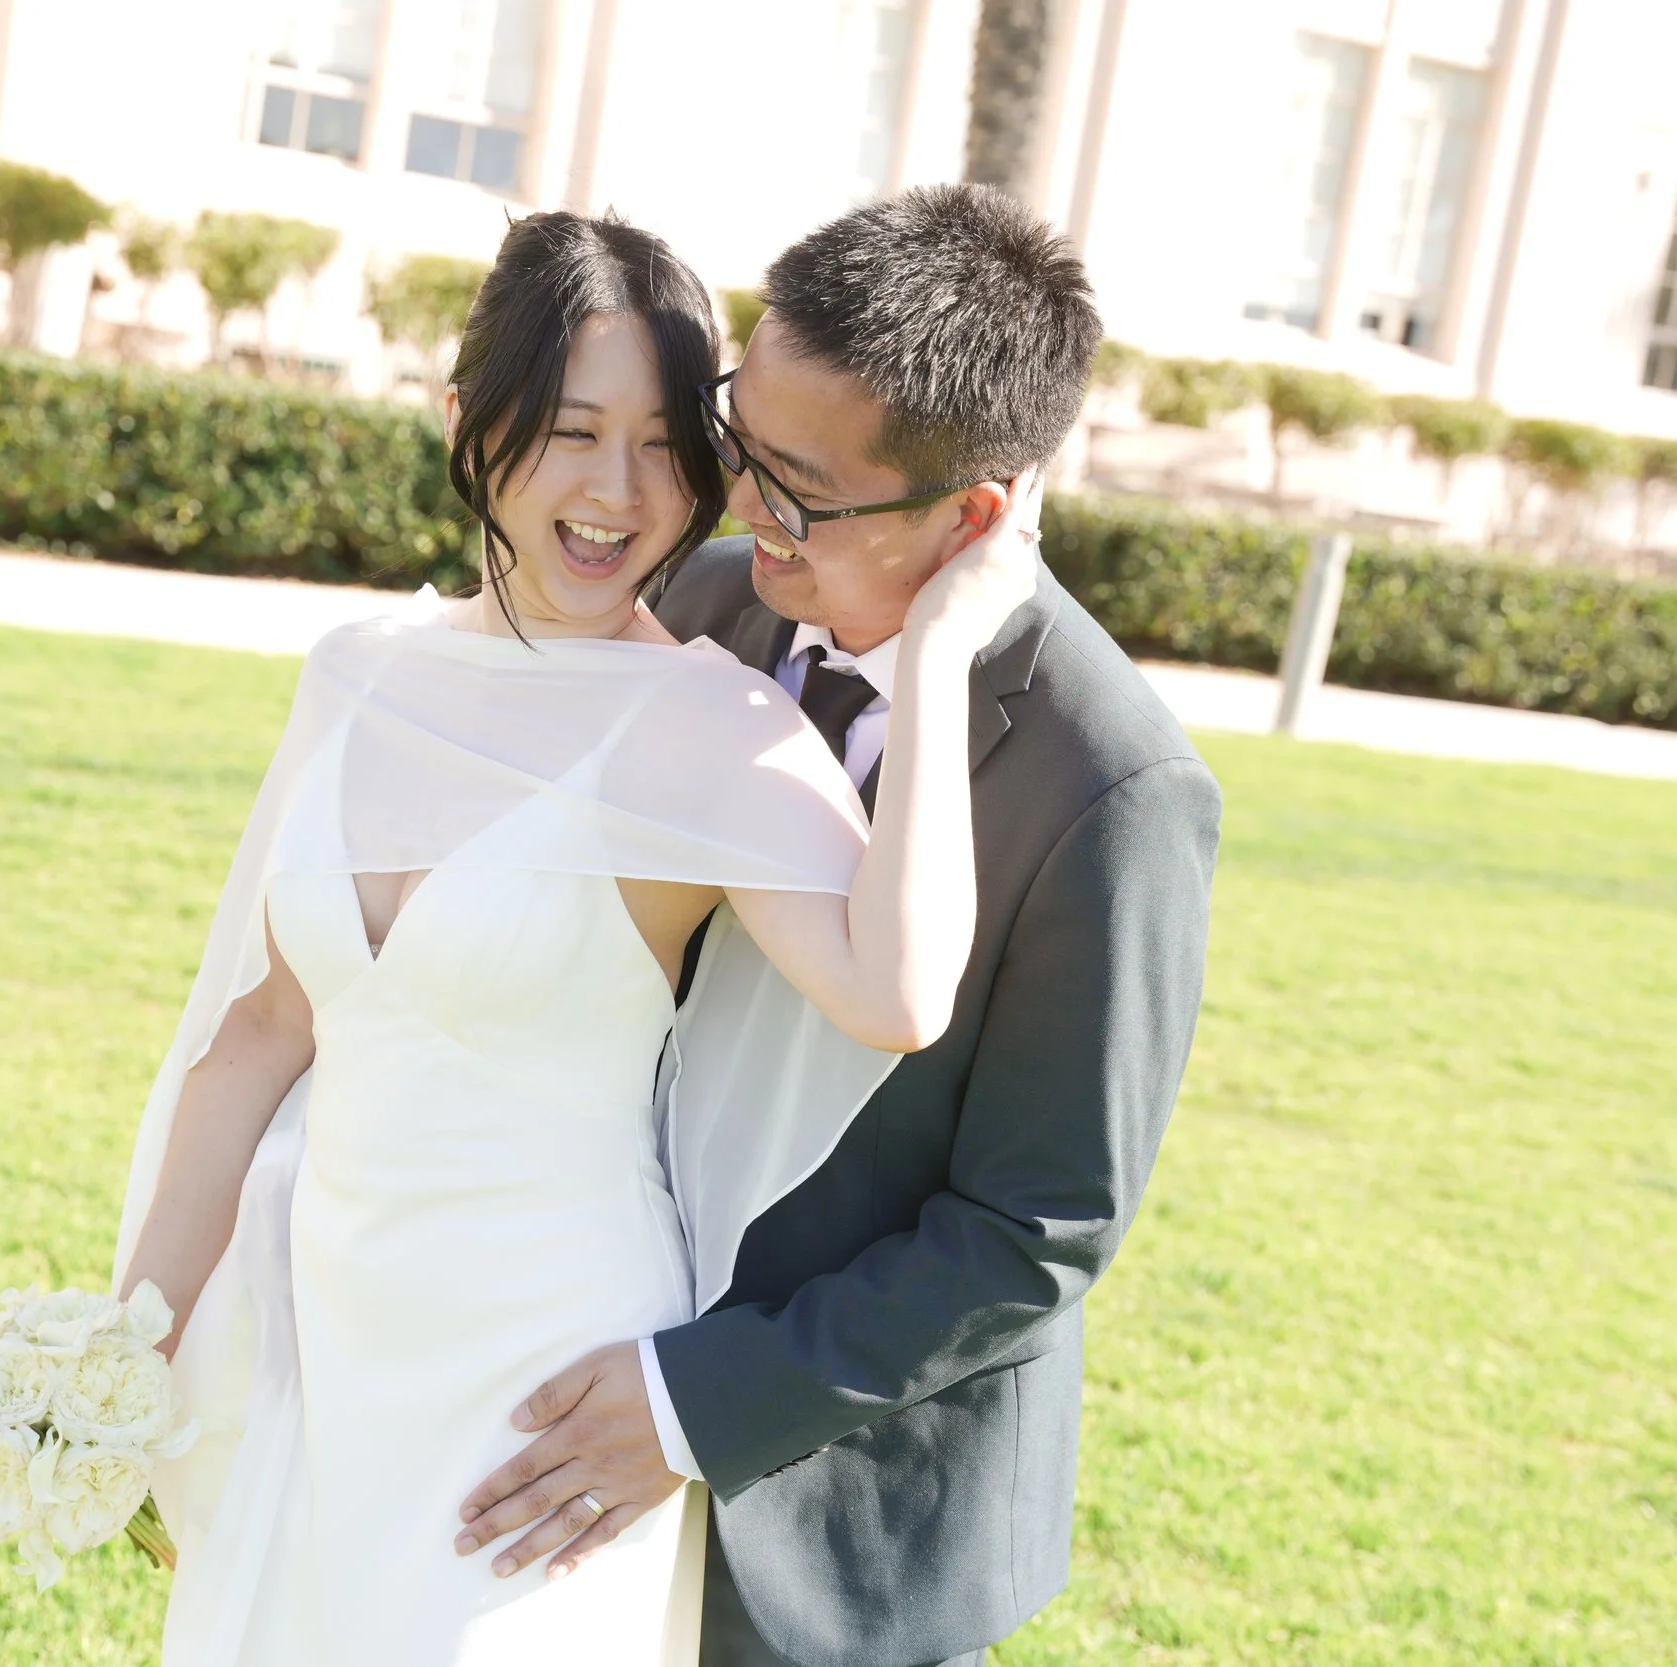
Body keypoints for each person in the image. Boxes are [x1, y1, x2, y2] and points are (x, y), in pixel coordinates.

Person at [111, 207, 1041, 1665]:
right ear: (467, 424)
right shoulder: (357, 674)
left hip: (532, 1396)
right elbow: (261, 1037)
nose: (621, 491)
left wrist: (937, 648)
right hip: (324, 1343)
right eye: (571, 430)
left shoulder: (708, 727)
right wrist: (131, 1352)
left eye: (668, 445)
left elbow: (899, 988)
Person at [452, 186, 1223, 1667]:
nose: (742, 506)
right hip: (556, 1389)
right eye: (743, 444)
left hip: (832, 1541)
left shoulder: (1111, 787)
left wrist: (691, 1404)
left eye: (798, 490)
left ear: (974, 515)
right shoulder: (703, 604)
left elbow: (1033, 1230)